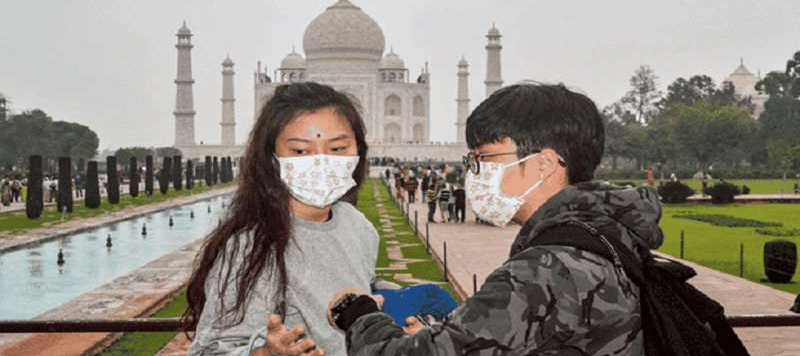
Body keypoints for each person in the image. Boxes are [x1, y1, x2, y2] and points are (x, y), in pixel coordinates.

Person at [328, 82, 664, 355]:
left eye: (485, 158)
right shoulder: (606, 236)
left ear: (544, 164)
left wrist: (359, 314)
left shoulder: (548, 268)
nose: (474, 171)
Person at [184, 82, 379, 356]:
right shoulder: (252, 246)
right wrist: (265, 354)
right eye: (300, 151)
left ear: (358, 151)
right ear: (271, 158)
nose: (321, 161)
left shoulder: (358, 227)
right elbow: (207, 352)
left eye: (337, 149)